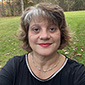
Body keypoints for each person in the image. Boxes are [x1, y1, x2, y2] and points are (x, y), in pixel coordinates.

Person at [0, 3, 85, 85]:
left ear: (61, 33)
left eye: (52, 29)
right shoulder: (14, 67)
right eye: (36, 29)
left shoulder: (78, 73)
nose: (44, 36)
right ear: (27, 34)